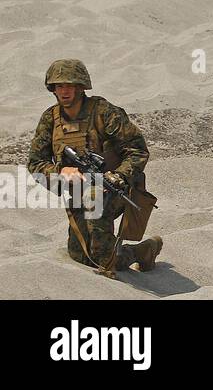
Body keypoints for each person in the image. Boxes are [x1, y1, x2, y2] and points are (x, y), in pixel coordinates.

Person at [27, 60, 163, 275]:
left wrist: (118, 176)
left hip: (115, 188)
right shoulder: (50, 119)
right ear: (52, 89)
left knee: (102, 258)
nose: (65, 91)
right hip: (78, 193)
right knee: (82, 257)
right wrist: (60, 172)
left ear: (81, 87)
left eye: (71, 85)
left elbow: (138, 151)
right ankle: (140, 252)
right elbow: (35, 163)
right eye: (60, 86)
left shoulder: (103, 112)